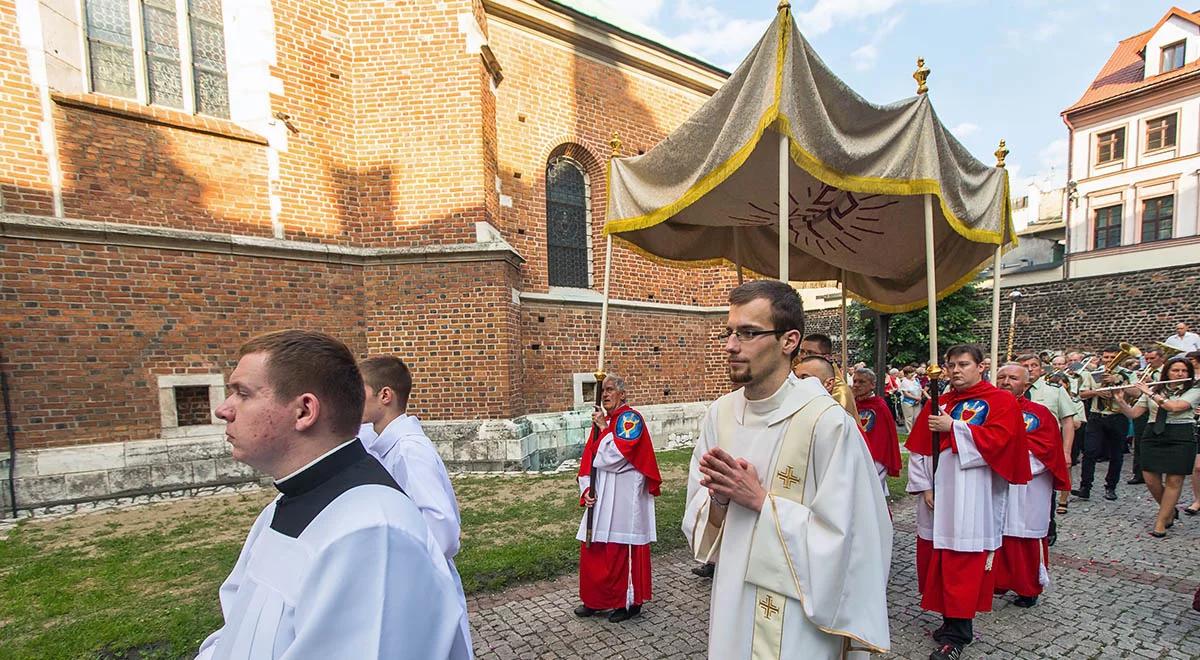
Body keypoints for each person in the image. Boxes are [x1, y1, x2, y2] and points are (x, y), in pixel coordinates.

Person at [198, 330, 467, 660]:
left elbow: (441, 531)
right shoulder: (278, 509)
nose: (223, 410)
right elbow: (234, 628)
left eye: (243, 393)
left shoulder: (372, 532)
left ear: (304, 411)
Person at [683, 280, 891, 659]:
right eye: (729, 332)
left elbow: (857, 537)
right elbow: (700, 521)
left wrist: (761, 501)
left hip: (799, 609)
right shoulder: (721, 414)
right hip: (733, 595)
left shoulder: (827, 423)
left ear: (789, 341)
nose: (731, 345)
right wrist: (718, 498)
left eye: (747, 333)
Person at [905, 344, 1030, 660]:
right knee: (939, 557)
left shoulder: (1001, 401)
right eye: (951, 365)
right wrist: (924, 487)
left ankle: (959, 633)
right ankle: (949, 623)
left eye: (963, 364)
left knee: (963, 560)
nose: (956, 370)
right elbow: (920, 448)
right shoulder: (941, 401)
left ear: (981, 366)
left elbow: (1001, 444)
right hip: (938, 492)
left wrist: (955, 428)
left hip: (971, 493)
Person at [359, 355, 472, 655]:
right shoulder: (384, 441)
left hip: (424, 583)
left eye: (359, 391)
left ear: (385, 396)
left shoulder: (409, 452)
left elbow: (443, 534)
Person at [576, 374, 661, 623]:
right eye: (603, 391)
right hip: (602, 497)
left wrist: (604, 429)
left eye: (610, 389)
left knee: (621, 551)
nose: (605, 394)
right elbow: (589, 459)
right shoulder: (604, 421)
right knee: (594, 549)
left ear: (622, 394)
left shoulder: (630, 419)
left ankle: (628, 603)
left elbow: (616, 458)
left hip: (625, 499)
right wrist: (586, 489)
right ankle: (596, 600)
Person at [991, 364, 1071, 608]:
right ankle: (997, 581)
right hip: (994, 482)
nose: (1005, 381)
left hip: (1027, 484)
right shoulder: (988, 411)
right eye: (1001, 377)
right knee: (996, 533)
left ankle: (1027, 587)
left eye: (1013, 378)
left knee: (1023, 534)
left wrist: (1007, 463)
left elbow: (1045, 452)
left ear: (1026, 385)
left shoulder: (1039, 414)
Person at [1114, 357, 1200, 536]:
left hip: (1181, 434)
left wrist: (1148, 392)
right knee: (1150, 478)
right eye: (1175, 370)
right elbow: (1134, 413)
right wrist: (1121, 401)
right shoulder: (1155, 389)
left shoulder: (1194, 389)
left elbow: (1174, 407)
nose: (1179, 374)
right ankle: (1169, 509)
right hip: (1153, 434)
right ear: (1167, 372)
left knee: (1174, 480)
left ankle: (1161, 522)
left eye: (1184, 371)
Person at [1073, 345, 1136, 502]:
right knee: (1090, 452)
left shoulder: (1127, 373)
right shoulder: (1093, 374)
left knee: (1116, 454)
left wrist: (1119, 381)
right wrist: (1096, 392)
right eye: (1106, 357)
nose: (1109, 360)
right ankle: (1085, 487)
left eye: (1112, 357)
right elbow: (1082, 394)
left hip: (1117, 415)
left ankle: (1111, 487)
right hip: (1097, 416)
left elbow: (1137, 392)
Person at [1017, 354, 1077, 514]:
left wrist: (1066, 452)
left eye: (1033, 365)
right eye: (1024, 366)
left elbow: (1067, 422)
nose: (1029, 369)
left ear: (1041, 368)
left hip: (1046, 453)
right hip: (1016, 452)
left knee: (1044, 498)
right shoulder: (1007, 391)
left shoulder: (1054, 391)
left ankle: (1047, 532)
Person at [852, 367, 903, 496]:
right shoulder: (851, 405)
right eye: (855, 381)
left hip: (873, 458)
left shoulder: (879, 406)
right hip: (853, 455)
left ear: (872, 385)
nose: (857, 385)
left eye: (862, 382)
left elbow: (883, 437)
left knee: (871, 495)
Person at [1128, 348, 1165, 484]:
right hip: (1142, 407)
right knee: (1139, 441)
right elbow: (1137, 393)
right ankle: (1139, 473)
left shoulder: (1166, 372)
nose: (1149, 362)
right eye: (1147, 359)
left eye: (1152, 359)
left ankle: (1156, 470)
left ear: (1161, 358)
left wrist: (1152, 381)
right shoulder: (1144, 371)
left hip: (1158, 410)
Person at [798, 333, 858, 417]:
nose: (803, 356)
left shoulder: (839, 392)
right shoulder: (797, 373)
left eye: (810, 353)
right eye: (802, 351)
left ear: (826, 357)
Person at [899, 366, 925, 432]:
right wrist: (916, 398)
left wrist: (919, 398)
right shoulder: (904, 382)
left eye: (912, 372)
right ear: (906, 374)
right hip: (907, 402)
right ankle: (909, 431)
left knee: (917, 417)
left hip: (917, 401)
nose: (912, 374)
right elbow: (905, 393)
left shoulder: (916, 380)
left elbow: (920, 389)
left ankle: (916, 431)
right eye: (910, 373)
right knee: (909, 418)